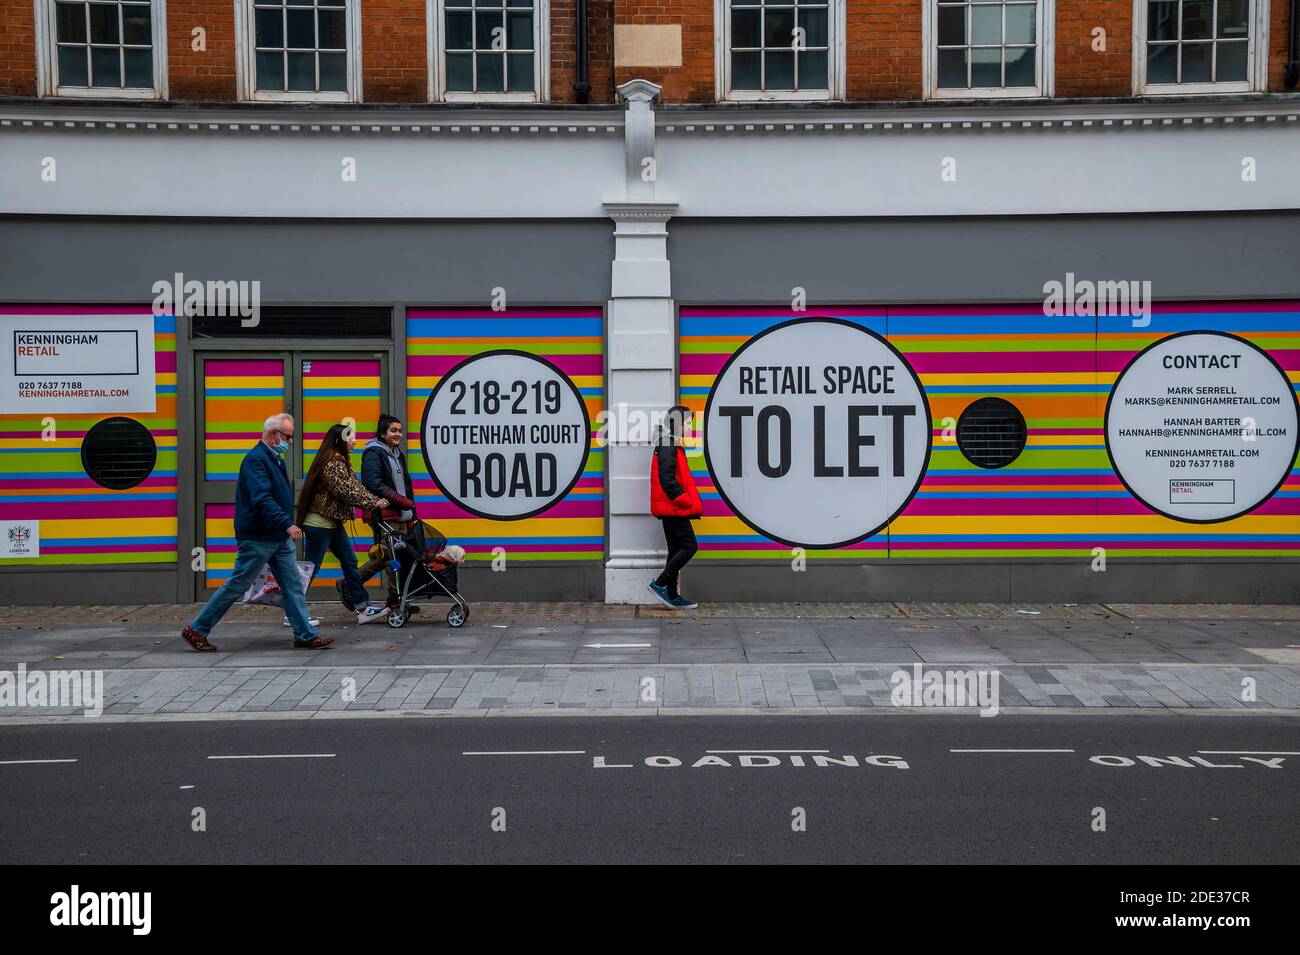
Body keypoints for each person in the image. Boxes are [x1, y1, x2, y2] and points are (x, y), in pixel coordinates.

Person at [181, 413, 333, 652]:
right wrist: (287, 523)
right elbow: (262, 498)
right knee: (237, 584)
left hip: (276, 537)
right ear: (274, 434)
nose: (290, 442)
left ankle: (304, 634)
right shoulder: (256, 460)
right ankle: (197, 629)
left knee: (292, 585)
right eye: (288, 437)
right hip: (258, 537)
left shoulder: (274, 458)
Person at [297, 423, 393, 624]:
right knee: (312, 567)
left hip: (332, 522)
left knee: (349, 561)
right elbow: (346, 491)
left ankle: (362, 608)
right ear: (339, 440)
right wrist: (373, 502)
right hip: (319, 523)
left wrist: (373, 500)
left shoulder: (343, 461)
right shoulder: (332, 462)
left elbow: (356, 487)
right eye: (350, 437)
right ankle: (293, 611)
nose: (354, 441)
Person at [356, 414, 418, 611]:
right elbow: (373, 483)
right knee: (391, 558)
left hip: (400, 515)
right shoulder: (374, 453)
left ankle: (394, 598)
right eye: (393, 430)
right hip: (385, 514)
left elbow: (406, 485)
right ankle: (392, 600)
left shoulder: (397, 453)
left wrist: (412, 513)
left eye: (400, 430)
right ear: (382, 433)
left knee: (392, 557)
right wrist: (402, 502)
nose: (398, 434)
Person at [648, 404, 703, 610]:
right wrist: (685, 500)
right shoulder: (668, 445)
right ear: (678, 423)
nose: (690, 427)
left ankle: (672, 595)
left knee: (675, 549)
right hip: (674, 507)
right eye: (688, 422)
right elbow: (667, 479)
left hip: (670, 507)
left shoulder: (669, 443)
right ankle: (660, 583)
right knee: (690, 546)